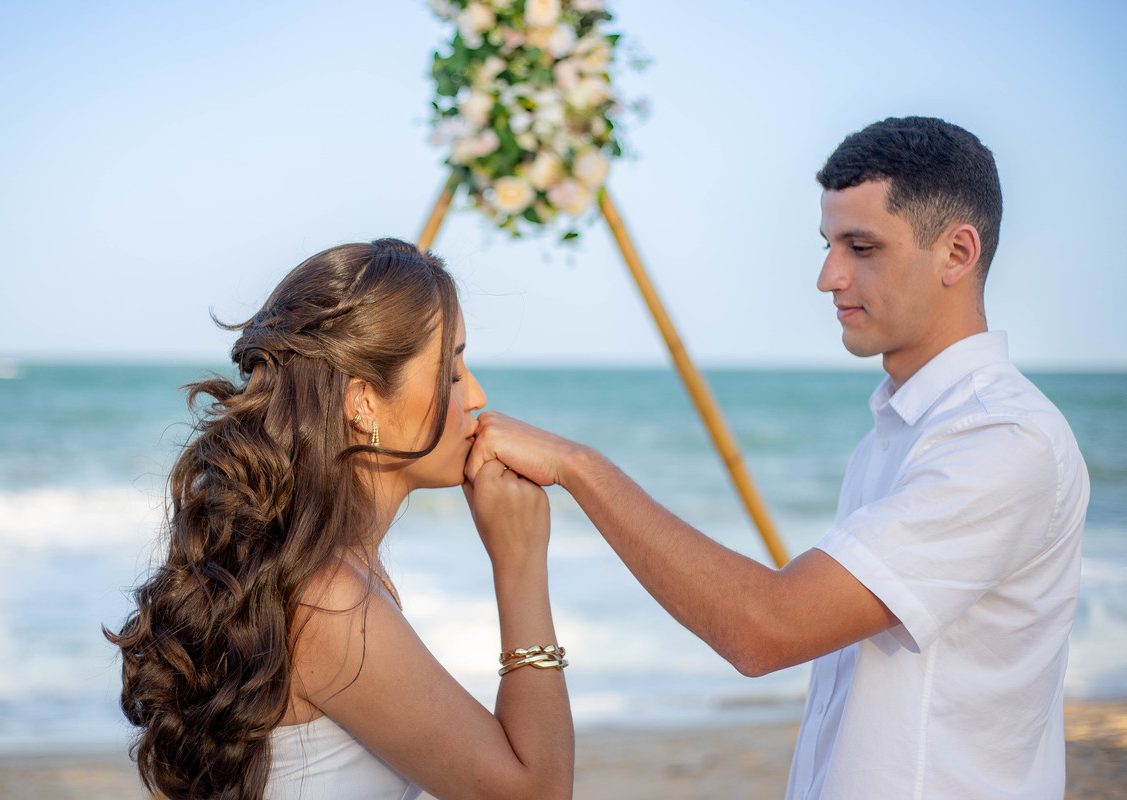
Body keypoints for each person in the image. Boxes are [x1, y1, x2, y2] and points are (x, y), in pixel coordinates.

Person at [466, 117, 1089, 798]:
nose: (828, 277)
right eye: (829, 245)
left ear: (957, 253)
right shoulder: (897, 433)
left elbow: (768, 628)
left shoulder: (1002, 439)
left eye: (861, 247)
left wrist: (578, 466)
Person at [107, 239, 574, 800]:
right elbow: (536, 793)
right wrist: (520, 563)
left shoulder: (323, 571)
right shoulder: (329, 601)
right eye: (451, 373)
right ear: (363, 403)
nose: (475, 394)